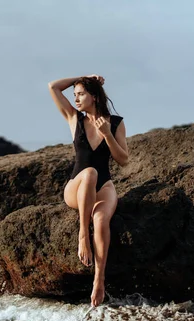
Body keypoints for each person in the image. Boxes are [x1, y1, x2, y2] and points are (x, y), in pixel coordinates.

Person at [48, 74, 129, 307]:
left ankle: (99, 280)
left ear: (94, 96)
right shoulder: (74, 118)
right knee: (91, 172)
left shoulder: (115, 123)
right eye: (74, 95)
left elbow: (123, 159)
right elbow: (53, 87)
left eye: (81, 94)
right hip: (77, 186)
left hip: (104, 186)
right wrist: (84, 76)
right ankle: (83, 234)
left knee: (102, 219)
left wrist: (107, 135)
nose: (76, 99)